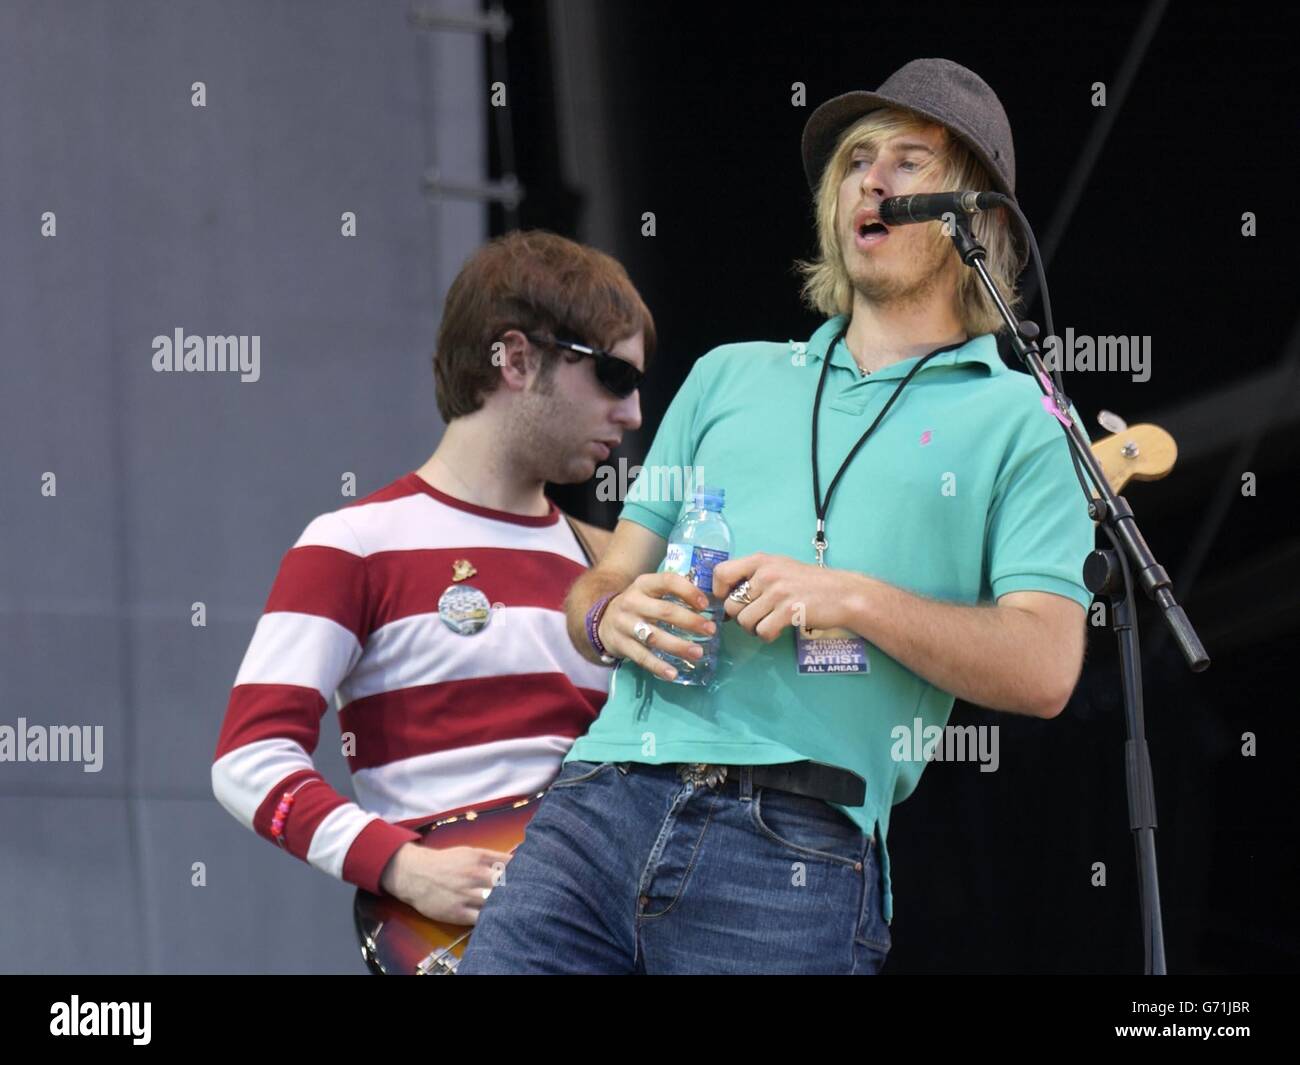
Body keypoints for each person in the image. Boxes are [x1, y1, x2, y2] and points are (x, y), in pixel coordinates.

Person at [458, 59, 1095, 975]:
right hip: (597, 806)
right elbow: (603, 576)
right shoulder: (729, 374)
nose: (869, 179)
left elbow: (1046, 667)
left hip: (797, 840)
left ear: (980, 219)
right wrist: (607, 614)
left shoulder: (1024, 424)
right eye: (855, 162)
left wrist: (854, 599)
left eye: (909, 162)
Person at [211, 230, 652, 932]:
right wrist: (402, 865)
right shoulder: (352, 543)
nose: (631, 413)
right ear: (515, 358)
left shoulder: (611, 565)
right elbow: (249, 758)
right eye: (615, 377)